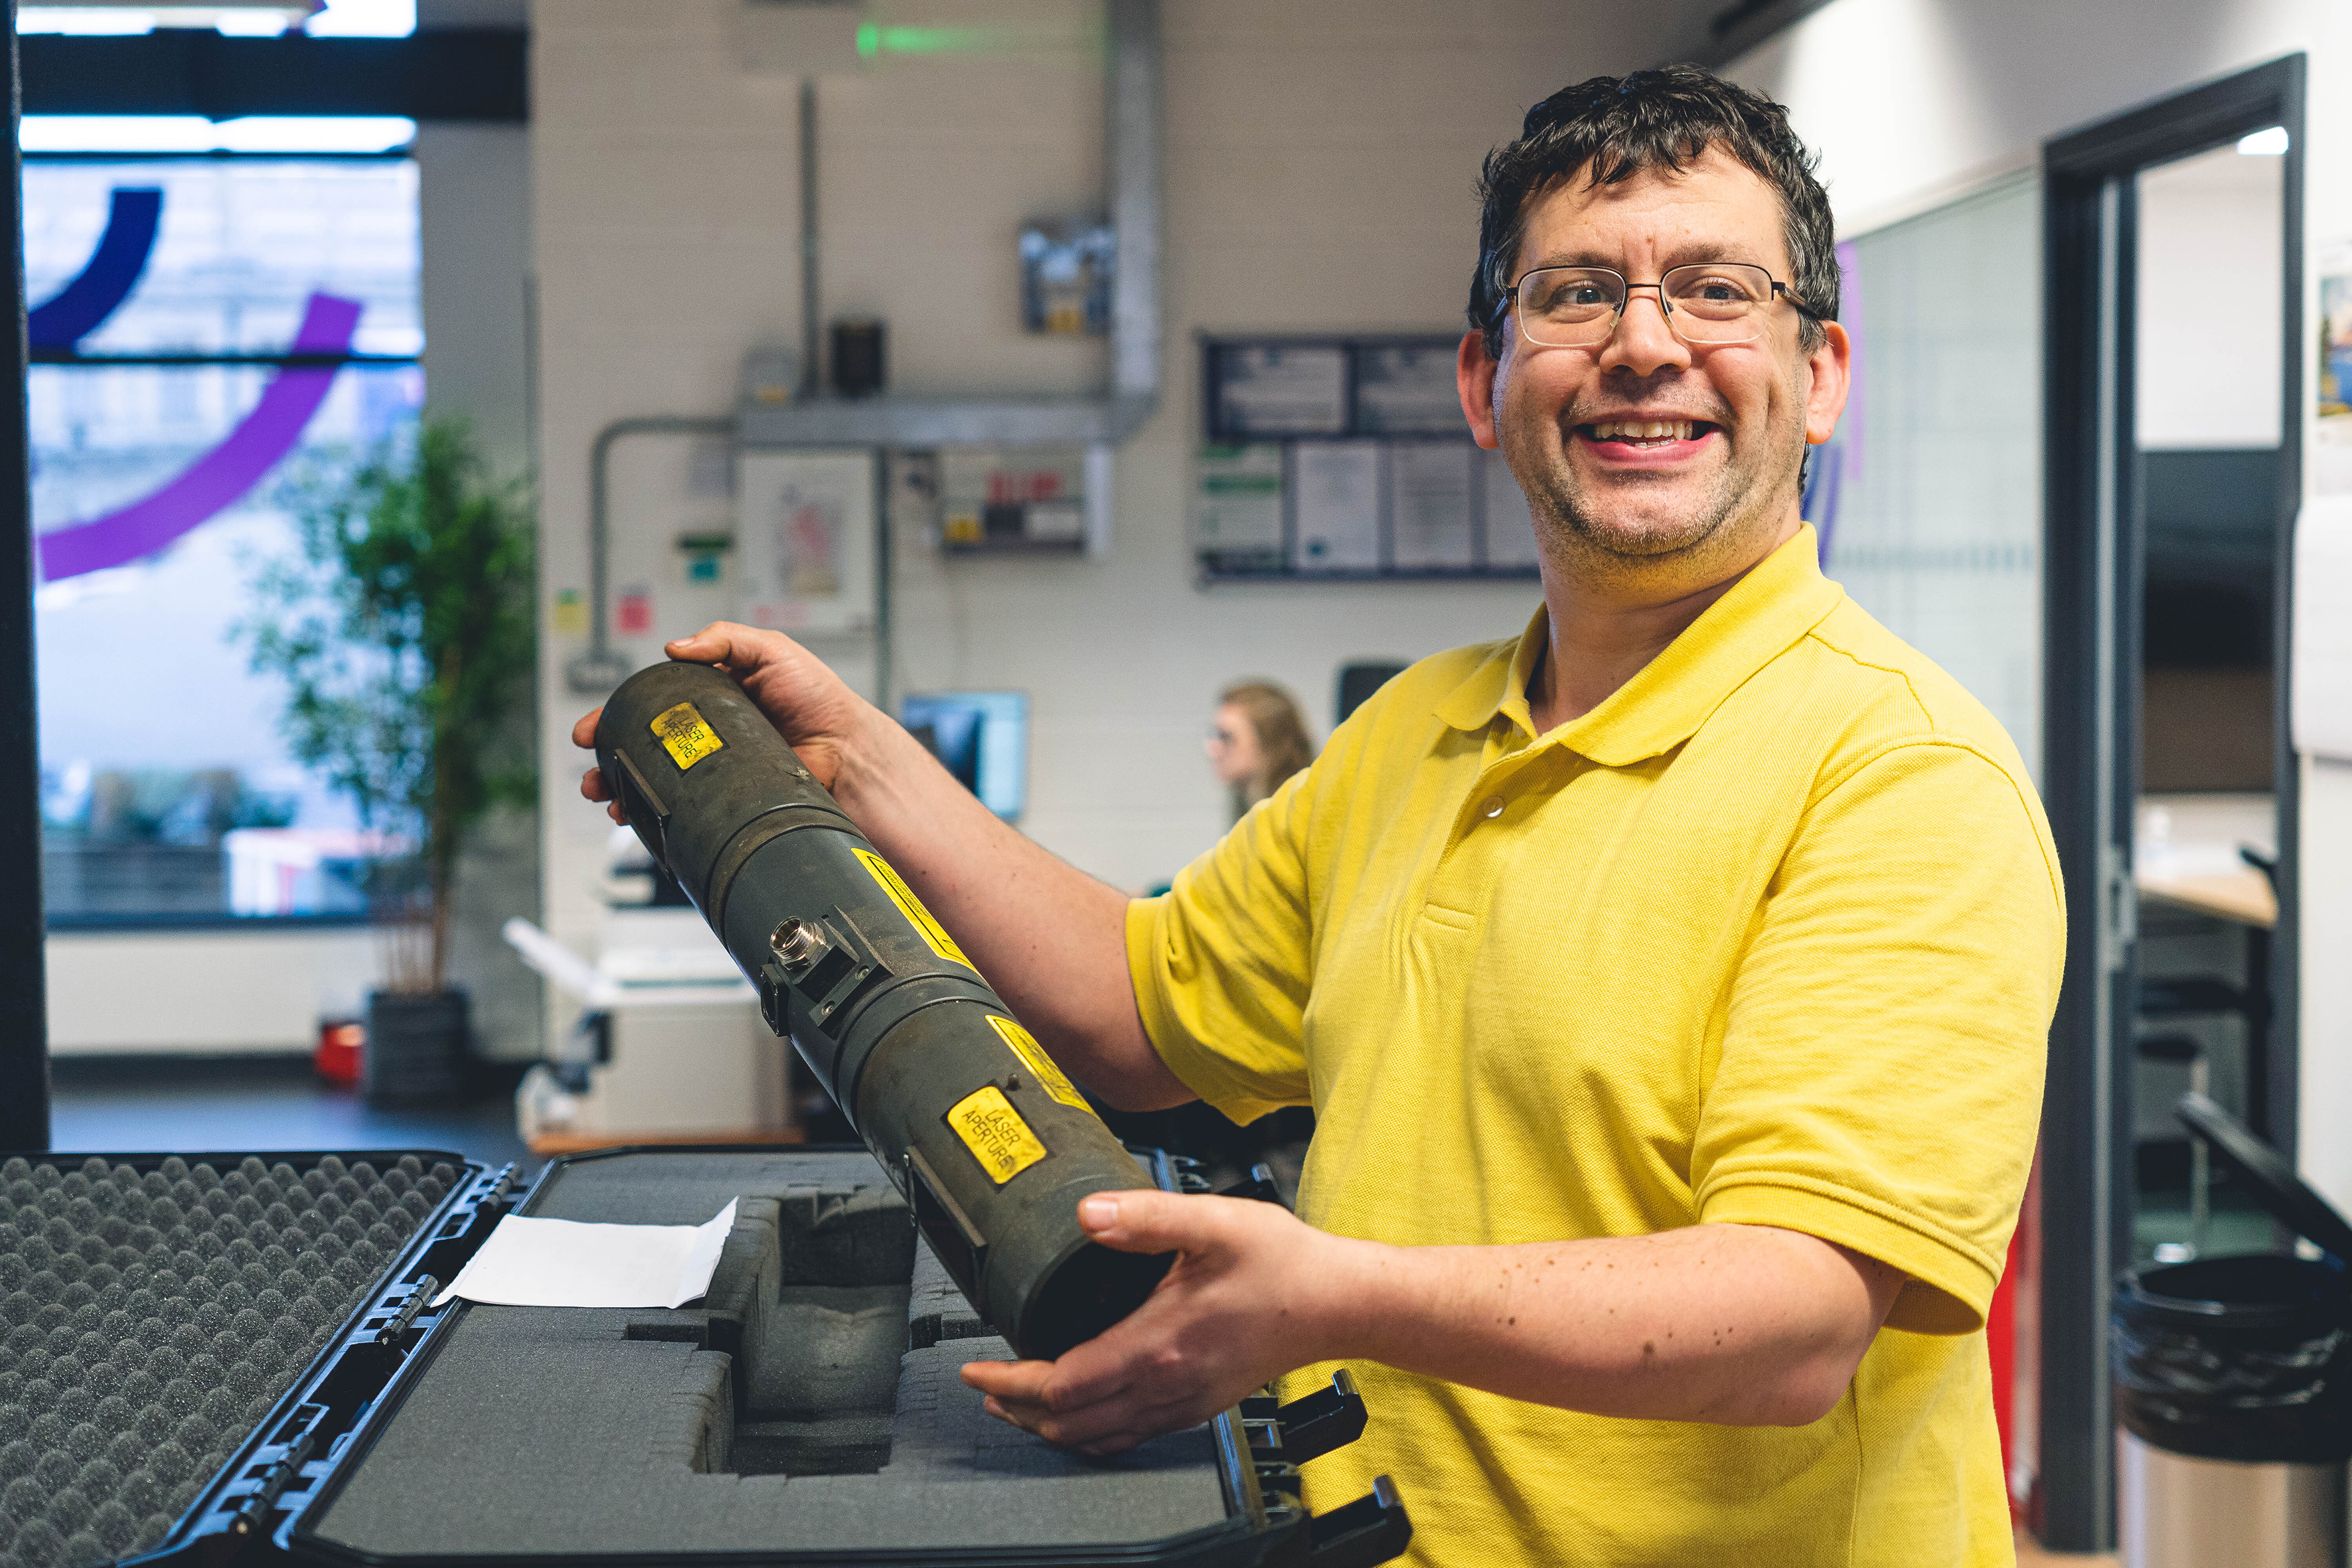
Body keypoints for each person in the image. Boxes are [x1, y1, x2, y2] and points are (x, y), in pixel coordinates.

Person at [578, 66, 2060, 1567]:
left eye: (1715, 290)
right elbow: (1138, 1003)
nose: (1645, 343)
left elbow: (1792, 1319)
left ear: (1821, 374)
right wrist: (862, 765)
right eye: (1575, 294)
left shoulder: (1901, 773)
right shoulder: (1413, 730)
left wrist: (1331, 1293)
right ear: (1484, 383)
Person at [1205, 679, 1314, 822]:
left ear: (1267, 741)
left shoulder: (1300, 814)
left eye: (1226, 737)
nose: (1211, 750)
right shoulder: (1249, 807)